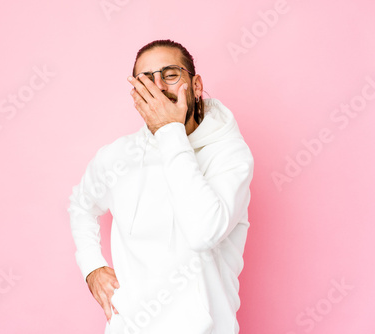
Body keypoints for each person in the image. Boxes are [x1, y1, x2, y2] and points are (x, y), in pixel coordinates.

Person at [68, 39, 254, 334]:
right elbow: (81, 204)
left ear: (196, 86)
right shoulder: (117, 156)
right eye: (146, 81)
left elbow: (203, 232)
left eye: (170, 75)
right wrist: (91, 265)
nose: (158, 88)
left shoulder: (230, 156)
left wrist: (169, 132)